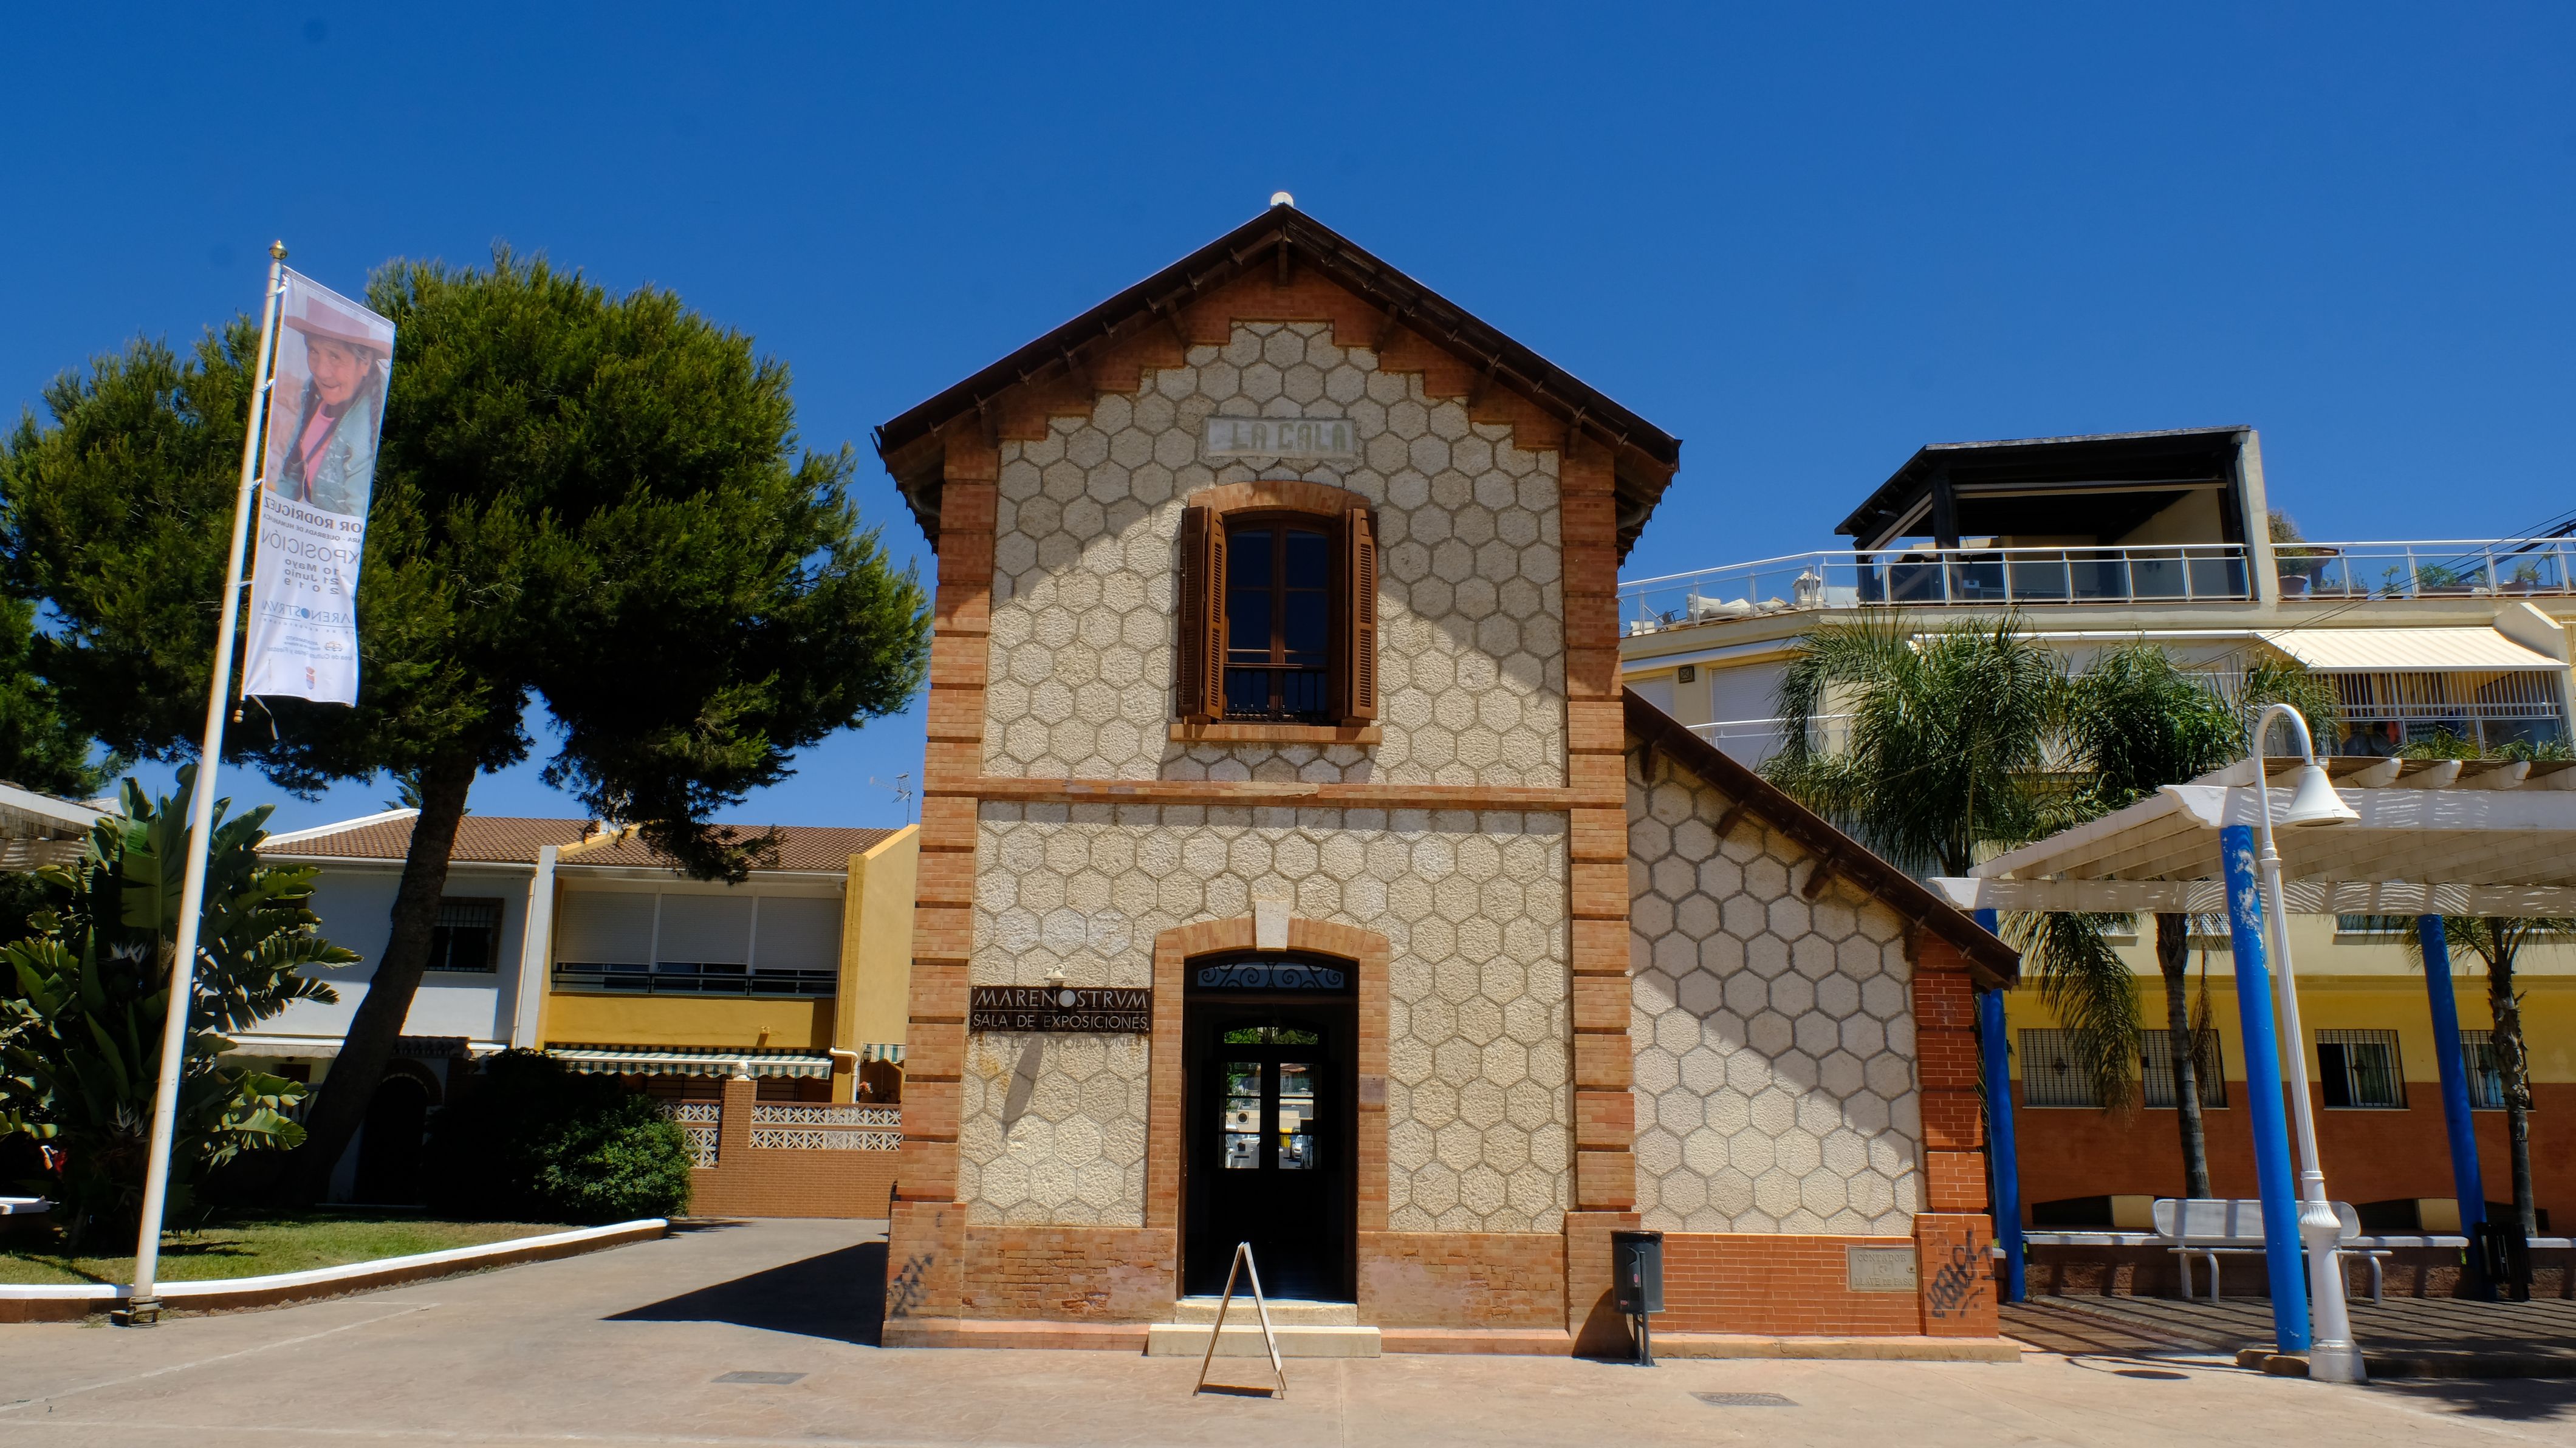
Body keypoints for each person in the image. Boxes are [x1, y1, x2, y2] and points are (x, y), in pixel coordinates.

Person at [271, 304, 390, 516]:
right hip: (311, 531)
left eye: (335, 356)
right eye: (314, 351)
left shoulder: (370, 425)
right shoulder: (312, 393)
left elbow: (356, 516)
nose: (321, 371)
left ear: (365, 363)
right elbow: (292, 467)